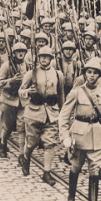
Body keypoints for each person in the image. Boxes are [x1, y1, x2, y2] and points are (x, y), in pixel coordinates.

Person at [59, 57, 101, 201]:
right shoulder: (76, 92)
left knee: (95, 170)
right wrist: (65, 136)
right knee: (75, 166)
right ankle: (71, 196)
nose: (91, 76)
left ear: (99, 75)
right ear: (84, 74)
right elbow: (64, 115)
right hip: (79, 135)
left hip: (97, 135)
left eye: (95, 73)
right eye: (89, 72)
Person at [19, 46, 63, 184]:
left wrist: (62, 113)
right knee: (31, 143)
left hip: (51, 112)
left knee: (50, 143)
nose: (44, 59)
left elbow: (61, 95)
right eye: (42, 57)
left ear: (51, 58)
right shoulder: (31, 74)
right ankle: (26, 157)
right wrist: (28, 92)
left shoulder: (57, 74)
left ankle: (46, 172)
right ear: (38, 58)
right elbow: (21, 91)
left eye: (47, 57)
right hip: (34, 113)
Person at [0, 41, 29, 159]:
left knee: (22, 127)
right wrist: (11, 81)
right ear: (14, 53)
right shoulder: (6, 65)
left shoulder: (28, 65)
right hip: (8, 100)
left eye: (23, 52)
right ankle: (3, 143)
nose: (21, 54)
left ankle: (21, 154)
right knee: (7, 127)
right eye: (18, 52)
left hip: (22, 101)